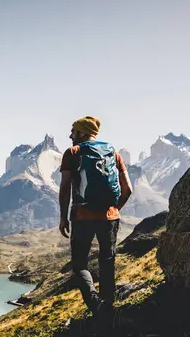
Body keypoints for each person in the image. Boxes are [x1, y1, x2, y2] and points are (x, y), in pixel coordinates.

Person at [58, 116, 133, 332]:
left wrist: (63, 217)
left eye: (73, 131)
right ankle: (108, 309)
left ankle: (94, 304)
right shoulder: (114, 154)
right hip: (109, 217)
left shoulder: (73, 153)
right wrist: (115, 209)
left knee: (79, 265)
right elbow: (127, 189)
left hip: (82, 217)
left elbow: (64, 188)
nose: (71, 135)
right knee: (107, 260)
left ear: (82, 133)